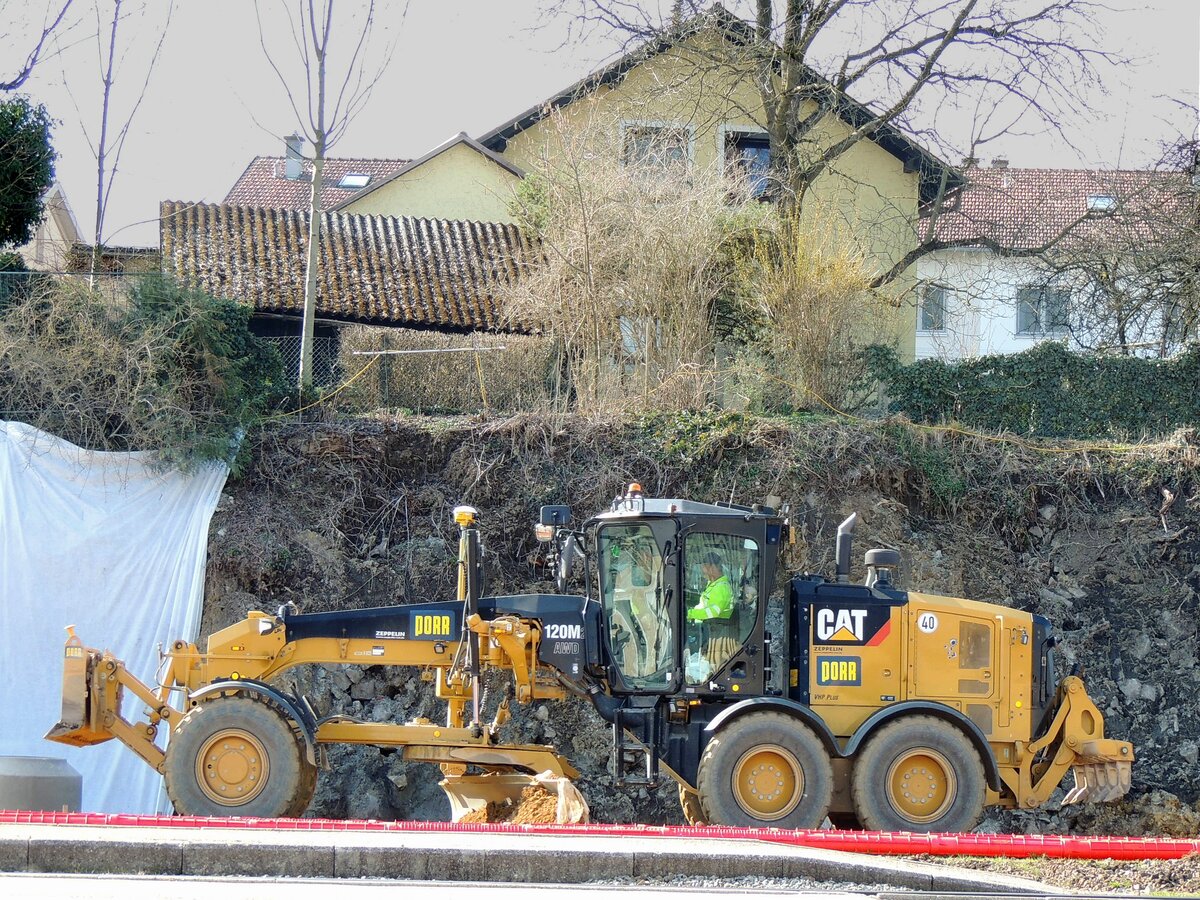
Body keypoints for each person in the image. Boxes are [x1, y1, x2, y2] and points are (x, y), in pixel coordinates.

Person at [687, 552, 733, 622]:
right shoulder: (713, 584)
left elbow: (713, 612)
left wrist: (689, 613)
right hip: (704, 625)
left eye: (704, 566)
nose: (702, 570)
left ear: (712, 567)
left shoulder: (721, 588)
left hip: (714, 627)